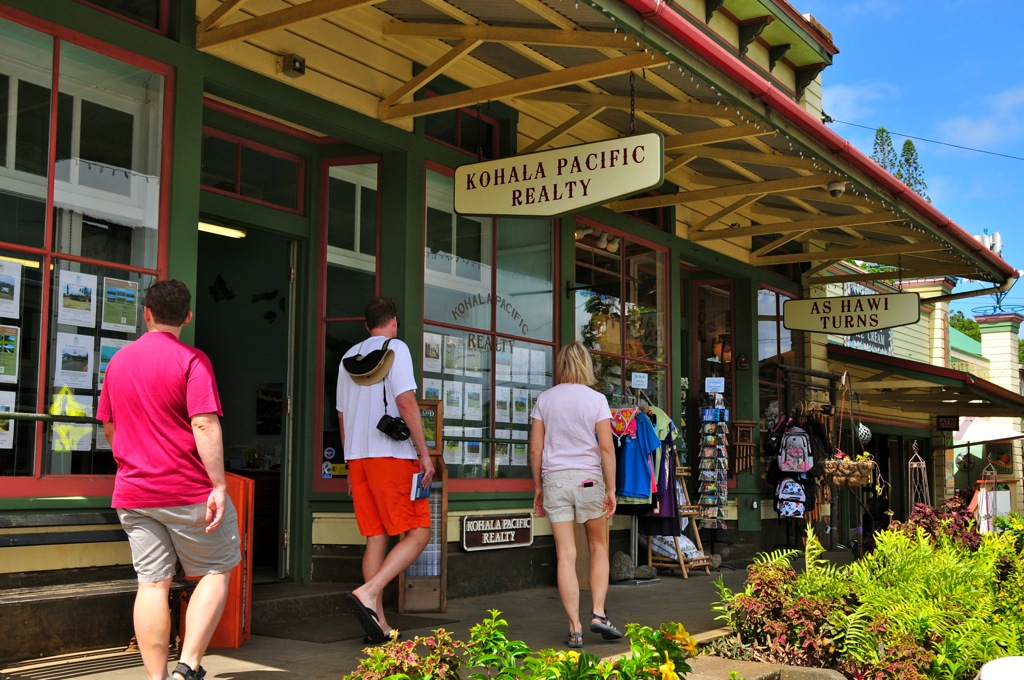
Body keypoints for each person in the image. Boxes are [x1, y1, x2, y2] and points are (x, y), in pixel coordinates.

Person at [97, 280, 240, 680]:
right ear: (188, 318)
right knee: (215, 569)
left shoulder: (120, 361)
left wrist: (134, 460)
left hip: (134, 491)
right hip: (186, 489)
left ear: (146, 313)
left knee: (152, 585)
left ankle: (156, 677)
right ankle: (188, 667)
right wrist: (219, 485)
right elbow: (204, 424)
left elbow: (109, 427)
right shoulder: (192, 360)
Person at [336, 296, 434, 644]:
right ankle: (370, 591)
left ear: (366, 325)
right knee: (419, 530)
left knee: (375, 536)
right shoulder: (397, 349)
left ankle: (377, 623)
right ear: (393, 321)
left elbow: (342, 415)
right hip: (391, 456)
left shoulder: (348, 358)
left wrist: (349, 464)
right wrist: (424, 454)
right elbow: (406, 402)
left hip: (359, 459)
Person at [529, 341, 623, 649]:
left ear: (561, 365)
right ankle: (598, 612)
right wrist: (610, 488)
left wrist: (538, 487)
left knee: (565, 554)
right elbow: (607, 447)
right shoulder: (596, 399)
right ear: (586, 365)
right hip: (588, 480)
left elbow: (536, 448)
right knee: (597, 546)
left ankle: (575, 628)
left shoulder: (545, 399)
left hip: (554, 479)